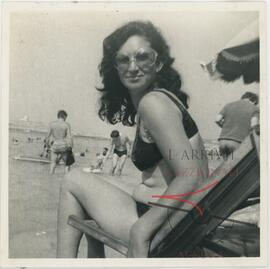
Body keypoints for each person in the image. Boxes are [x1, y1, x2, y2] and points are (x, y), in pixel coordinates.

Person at [57, 21, 208, 258]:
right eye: (124, 60)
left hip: (163, 226)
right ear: (115, 68)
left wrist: (141, 230)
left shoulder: (153, 104)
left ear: (158, 63)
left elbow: (191, 175)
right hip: (174, 217)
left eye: (142, 57)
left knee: (72, 180)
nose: (133, 67)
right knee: (88, 185)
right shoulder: (163, 100)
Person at [215, 92, 259, 158]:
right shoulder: (255, 108)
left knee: (227, 166)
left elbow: (217, 119)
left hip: (222, 141)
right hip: (238, 142)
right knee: (238, 166)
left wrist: (225, 126)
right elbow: (254, 125)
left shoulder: (228, 105)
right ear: (254, 101)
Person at [46, 110, 73, 174]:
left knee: (53, 164)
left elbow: (47, 137)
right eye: (66, 117)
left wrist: (48, 146)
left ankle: (50, 180)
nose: (66, 119)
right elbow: (70, 137)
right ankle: (66, 180)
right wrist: (71, 147)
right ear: (64, 116)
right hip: (63, 146)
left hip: (55, 146)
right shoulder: (66, 125)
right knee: (67, 164)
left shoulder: (51, 124)